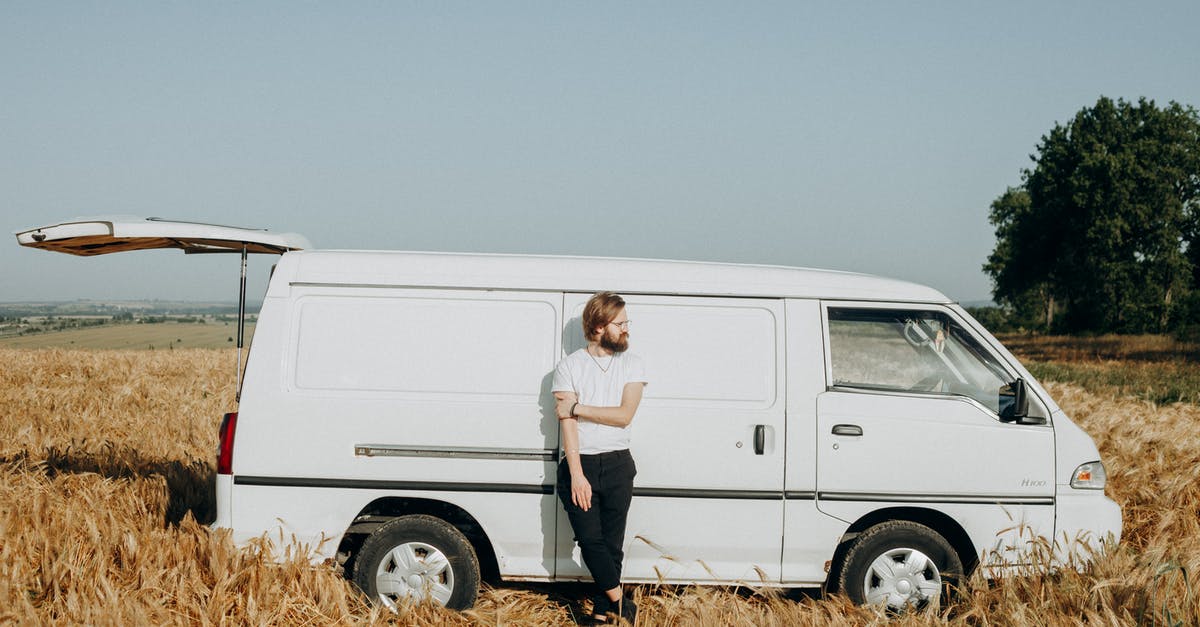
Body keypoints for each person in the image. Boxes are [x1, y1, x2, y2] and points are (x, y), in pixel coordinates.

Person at [553, 291, 647, 624]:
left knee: (612, 543)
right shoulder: (569, 367)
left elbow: (624, 416)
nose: (626, 329)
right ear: (597, 327)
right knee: (590, 540)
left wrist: (578, 407)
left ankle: (603, 612)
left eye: (626, 323)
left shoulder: (632, 363)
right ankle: (623, 603)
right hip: (583, 464)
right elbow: (568, 427)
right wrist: (577, 475)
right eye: (620, 324)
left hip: (619, 463)